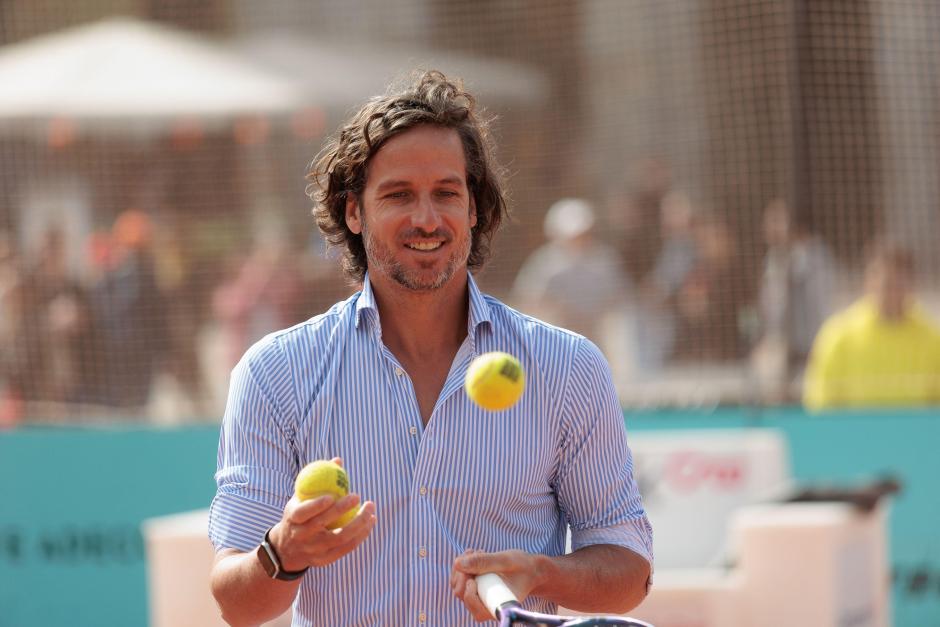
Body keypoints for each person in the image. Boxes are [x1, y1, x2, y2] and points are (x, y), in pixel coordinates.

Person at [208, 70, 653, 626]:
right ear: (353, 211)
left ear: (473, 208)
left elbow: (630, 572)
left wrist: (540, 572)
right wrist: (283, 553)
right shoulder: (275, 372)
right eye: (398, 195)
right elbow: (236, 603)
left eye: (446, 193)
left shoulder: (568, 367)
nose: (426, 219)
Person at [803, 241, 940, 409]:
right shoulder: (839, 335)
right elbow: (819, 402)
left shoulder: (933, 339)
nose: (892, 293)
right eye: (886, 285)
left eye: (899, 284)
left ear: (912, 284)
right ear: (868, 282)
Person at [510, 197, 631, 347]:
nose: (580, 239)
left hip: (595, 334)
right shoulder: (545, 264)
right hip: (556, 336)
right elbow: (527, 301)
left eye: (584, 233)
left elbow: (621, 296)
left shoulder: (604, 260)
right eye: (574, 235)